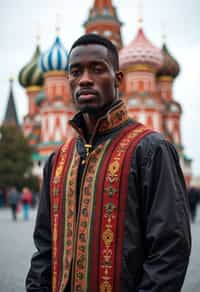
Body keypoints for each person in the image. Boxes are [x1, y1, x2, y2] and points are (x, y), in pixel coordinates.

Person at [26, 34, 191, 292]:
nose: (85, 79)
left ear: (118, 79)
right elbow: (45, 247)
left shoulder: (150, 150)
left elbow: (170, 249)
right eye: (75, 71)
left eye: (98, 69)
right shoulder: (59, 159)